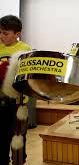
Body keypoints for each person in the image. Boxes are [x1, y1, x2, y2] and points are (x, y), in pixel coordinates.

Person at [0, 15, 32, 164]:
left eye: (5, 33)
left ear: (17, 34)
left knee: (18, 135)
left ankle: (18, 161)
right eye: (0, 32)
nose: (1, 36)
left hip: (18, 102)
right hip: (0, 100)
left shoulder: (24, 49)